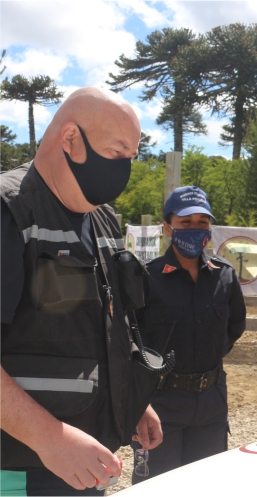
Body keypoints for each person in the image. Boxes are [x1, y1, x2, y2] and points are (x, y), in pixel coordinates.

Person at [1, 87, 162, 495]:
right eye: (116, 153)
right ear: (70, 139)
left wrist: (131, 401)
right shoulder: (10, 211)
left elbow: (104, 325)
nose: (124, 169)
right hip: (21, 470)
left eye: (132, 157)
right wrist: (50, 438)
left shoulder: (104, 221)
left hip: (84, 467)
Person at [131, 186, 246, 483]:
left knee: (206, 485)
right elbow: (128, 341)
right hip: (160, 404)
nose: (195, 229)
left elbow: (234, 328)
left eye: (202, 222)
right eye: (186, 222)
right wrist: (139, 403)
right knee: (157, 487)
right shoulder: (146, 278)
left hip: (211, 403)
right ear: (168, 228)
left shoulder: (225, 276)